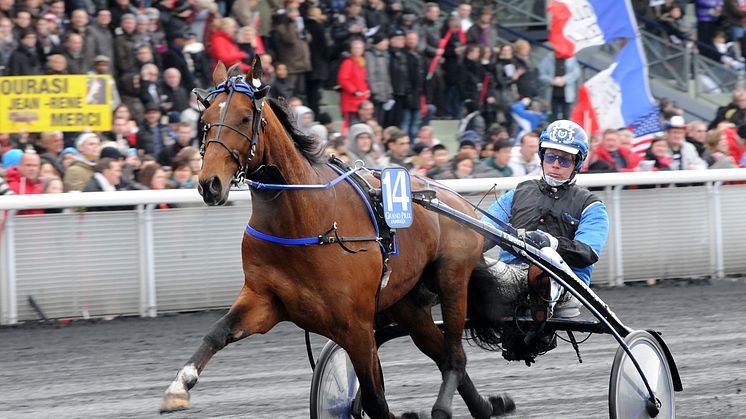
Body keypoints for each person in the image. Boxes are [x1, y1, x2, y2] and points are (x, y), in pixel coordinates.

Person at [482, 120, 609, 321]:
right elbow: (483, 233)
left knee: (546, 255)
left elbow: (588, 252)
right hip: (512, 275)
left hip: (566, 283)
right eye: (551, 157)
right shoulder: (515, 195)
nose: (556, 164)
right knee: (466, 263)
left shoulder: (591, 206)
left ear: (577, 163)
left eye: (565, 160)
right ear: (542, 158)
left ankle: (541, 307)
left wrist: (550, 243)